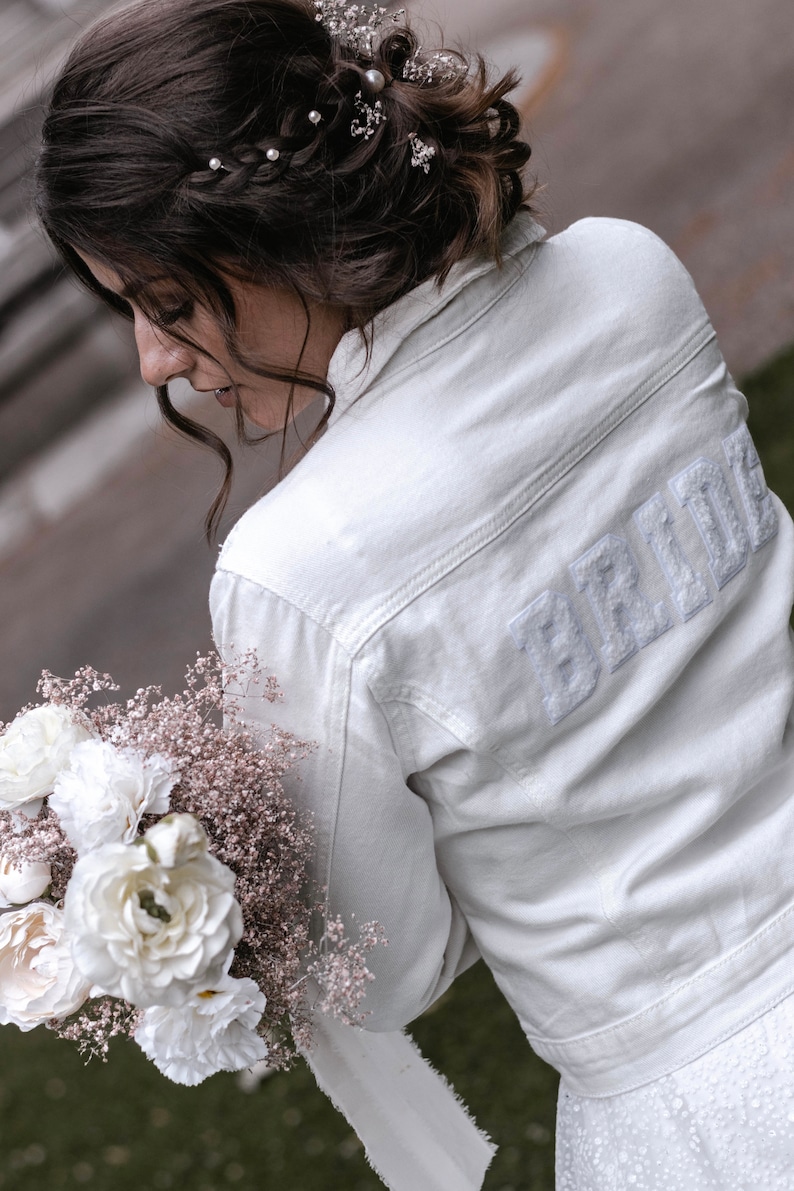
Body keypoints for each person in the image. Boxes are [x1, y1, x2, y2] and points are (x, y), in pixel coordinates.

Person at [35, 0, 794, 1187]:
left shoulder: (296, 566)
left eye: (167, 302)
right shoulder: (627, 272)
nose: (153, 358)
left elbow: (390, 967)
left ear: (263, 232)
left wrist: (230, 871)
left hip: (711, 1107)